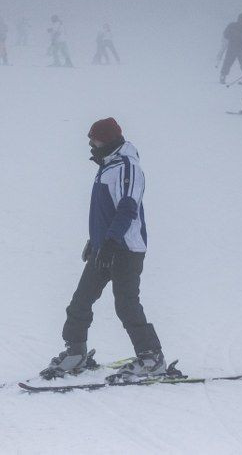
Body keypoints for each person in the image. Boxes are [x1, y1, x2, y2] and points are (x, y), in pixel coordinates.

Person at [41, 118, 165, 380]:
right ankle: (76, 353)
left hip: (126, 249)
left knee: (126, 305)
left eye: (94, 139)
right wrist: (95, 241)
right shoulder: (108, 165)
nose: (90, 144)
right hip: (104, 247)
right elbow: (105, 212)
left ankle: (151, 358)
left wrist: (110, 242)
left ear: (107, 140)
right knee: (80, 302)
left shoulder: (128, 167)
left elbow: (127, 208)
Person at [219, 13, 242, 84]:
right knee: (230, 62)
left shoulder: (234, 26)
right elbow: (226, 34)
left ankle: (223, 76)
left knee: (233, 62)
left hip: (237, 47)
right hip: (235, 47)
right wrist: (237, 38)